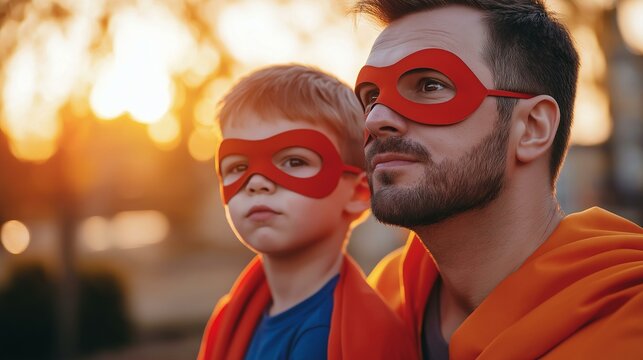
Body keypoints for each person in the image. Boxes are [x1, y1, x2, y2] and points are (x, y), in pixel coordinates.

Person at [351, 0, 643, 359]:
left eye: (429, 85)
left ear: (533, 128)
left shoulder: (628, 323)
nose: (375, 119)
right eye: (370, 97)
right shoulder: (374, 305)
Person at [197, 65, 417, 360]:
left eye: (293, 161)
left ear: (358, 193)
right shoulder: (232, 317)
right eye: (238, 166)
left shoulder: (343, 339)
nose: (257, 182)